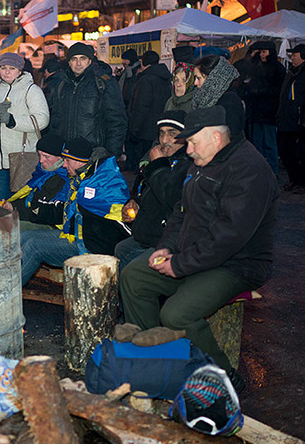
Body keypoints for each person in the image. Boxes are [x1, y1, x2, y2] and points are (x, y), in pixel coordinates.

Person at [119, 105, 279, 387]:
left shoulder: (249, 170)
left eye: (192, 142)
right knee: (134, 276)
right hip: (196, 253)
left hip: (236, 263)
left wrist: (179, 265)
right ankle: (160, 358)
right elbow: (182, 210)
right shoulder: (203, 161)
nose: (188, 149)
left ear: (216, 138)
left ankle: (222, 376)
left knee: (177, 313)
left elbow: (228, 236)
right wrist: (166, 247)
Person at [19, 137, 130, 285]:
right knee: (23, 236)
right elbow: (67, 210)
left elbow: (117, 220)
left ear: (79, 161)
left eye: (67, 161)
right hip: (75, 236)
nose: (64, 165)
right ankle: (1, 281)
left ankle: (5, 294)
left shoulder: (101, 183)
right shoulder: (82, 178)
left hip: (92, 247)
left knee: (34, 246)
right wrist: (36, 211)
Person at [114, 110, 191, 271]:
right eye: (161, 133)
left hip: (167, 240)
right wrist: (135, 203)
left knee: (132, 271)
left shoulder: (188, 164)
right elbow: (148, 192)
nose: (164, 140)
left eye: (172, 134)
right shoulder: (162, 157)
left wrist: (157, 165)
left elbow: (171, 197)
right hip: (146, 233)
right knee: (120, 249)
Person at [0, 51, 51, 203]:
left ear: (20, 71)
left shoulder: (31, 90)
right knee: (1, 204)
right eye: (3, 67)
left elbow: (43, 119)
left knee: (21, 204)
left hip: (21, 158)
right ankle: (5, 226)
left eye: (12, 68)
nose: (7, 72)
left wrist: (13, 121)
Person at [45, 42, 127, 160]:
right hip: (65, 154)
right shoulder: (60, 84)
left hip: (94, 153)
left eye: (82, 58)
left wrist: (111, 154)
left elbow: (117, 121)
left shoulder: (104, 83)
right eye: (74, 59)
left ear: (90, 60)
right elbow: (55, 120)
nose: (78, 63)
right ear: (69, 62)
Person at [276, 44, 305, 194]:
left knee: (304, 153)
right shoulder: (292, 72)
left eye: (294, 55)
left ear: (302, 56)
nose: (292, 57)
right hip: (289, 119)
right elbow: (284, 96)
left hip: (302, 120)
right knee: (286, 150)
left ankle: (302, 182)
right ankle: (294, 179)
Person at [236, 41, 285, 175]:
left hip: (269, 111)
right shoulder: (257, 66)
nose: (262, 55)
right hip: (256, 110)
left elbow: (279, 90)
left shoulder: (278, 68)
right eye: (261, 52)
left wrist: (259, 90)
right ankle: (259, 170)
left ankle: (272, 171)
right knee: (257, 143)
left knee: (269, 143)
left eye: (264, 52)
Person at [2, 133, 68, 229]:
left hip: (53, 226)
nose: (41, 160)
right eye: (39, 155)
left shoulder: (62, 179)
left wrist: (17, 211)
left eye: (46, 156)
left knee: (5, 226)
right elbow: (31, 200)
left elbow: (40, 210)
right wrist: (12, 206)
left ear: (61, 158)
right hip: (36, 218)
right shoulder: (42, 174)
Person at [125, 50, 172, 171]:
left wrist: (134, 128)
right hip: (159, 127)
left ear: (143, 62)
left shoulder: (146, 79)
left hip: (145, 129)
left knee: (144, 166)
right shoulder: (165, 78)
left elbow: (141, 106)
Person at [190, 54, 246, 140]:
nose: (195, 83)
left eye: (199, 78)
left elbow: (231, 136)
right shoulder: (204, 98)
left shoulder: (229, 101)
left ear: (213, 79)